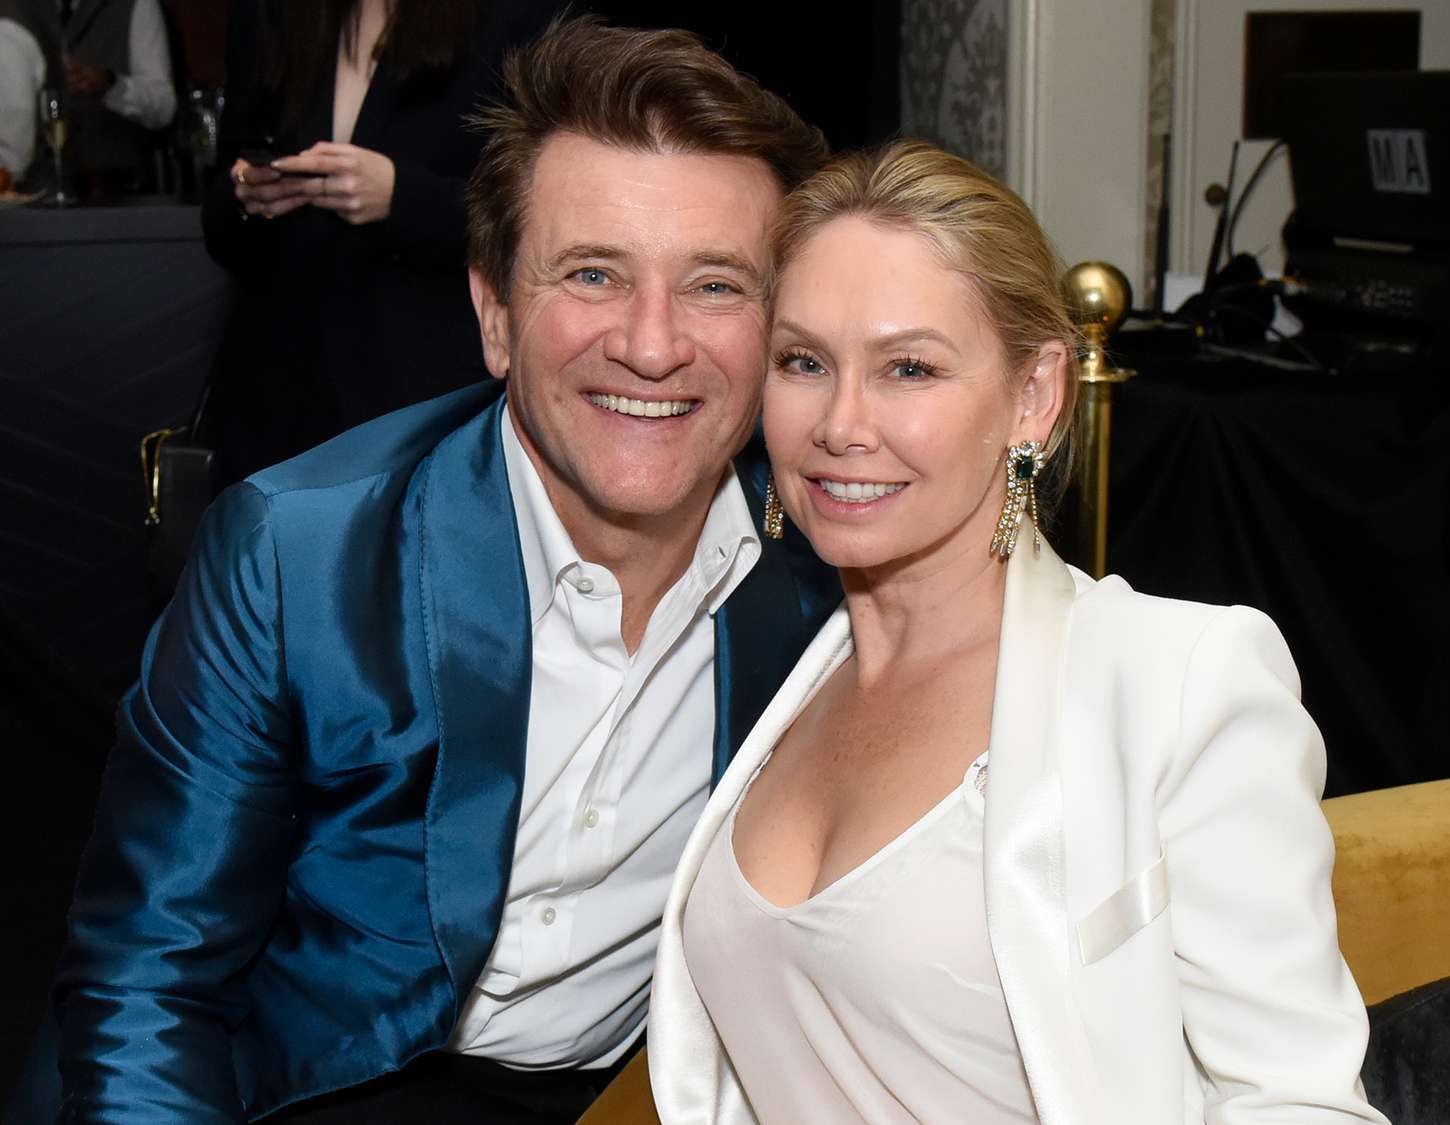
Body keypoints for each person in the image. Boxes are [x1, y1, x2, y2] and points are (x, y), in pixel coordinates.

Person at [18, 18, 838, 1124]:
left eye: (716, 286)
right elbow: (149, 986)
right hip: (298, 1091)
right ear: (495, 314)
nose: (652, 345)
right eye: (593, 273)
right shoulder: (296, 559)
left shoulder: (822, 568)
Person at [648, 140, 1390, 1123]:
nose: (841, 423)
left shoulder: (1173, 682)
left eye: (909, 367)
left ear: (1034, 395)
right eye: (804, 362)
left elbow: (1302, 1103)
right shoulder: (774, 666)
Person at [201, 0, 563, 482]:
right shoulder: (272, 15)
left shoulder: (513, 16)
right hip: (274, 391)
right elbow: (220, 225)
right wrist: (248, 197)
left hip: (423, 392)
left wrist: (399, 195)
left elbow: (540, 215)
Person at [0, 0, 175, 192]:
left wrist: (112, 84)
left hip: (120, 190)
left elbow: (164, 106)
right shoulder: (21, 9)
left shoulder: (137, 4)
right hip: (38, 190)